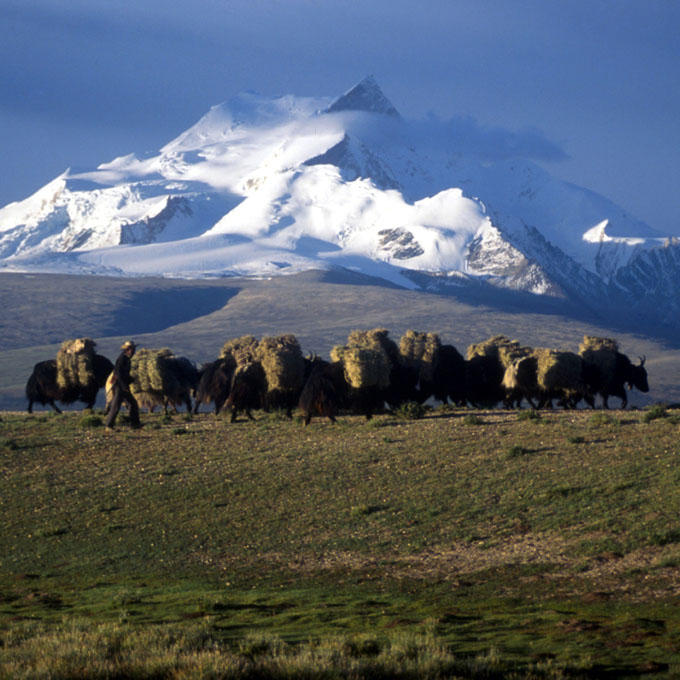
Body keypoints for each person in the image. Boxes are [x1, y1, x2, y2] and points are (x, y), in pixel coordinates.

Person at [105, 340, 141, 430]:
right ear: (127, 350)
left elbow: (124, 374)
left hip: (123, 385)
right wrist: (124, 386)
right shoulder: (122, 359)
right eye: (132, 349)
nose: (133, 351)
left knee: (132, 404)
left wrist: (131, 380)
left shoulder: (127, 359)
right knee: (116, 406)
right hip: (119, 386)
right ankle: (109, 426)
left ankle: (135, 424)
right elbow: (118, 374)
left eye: (134, 349)